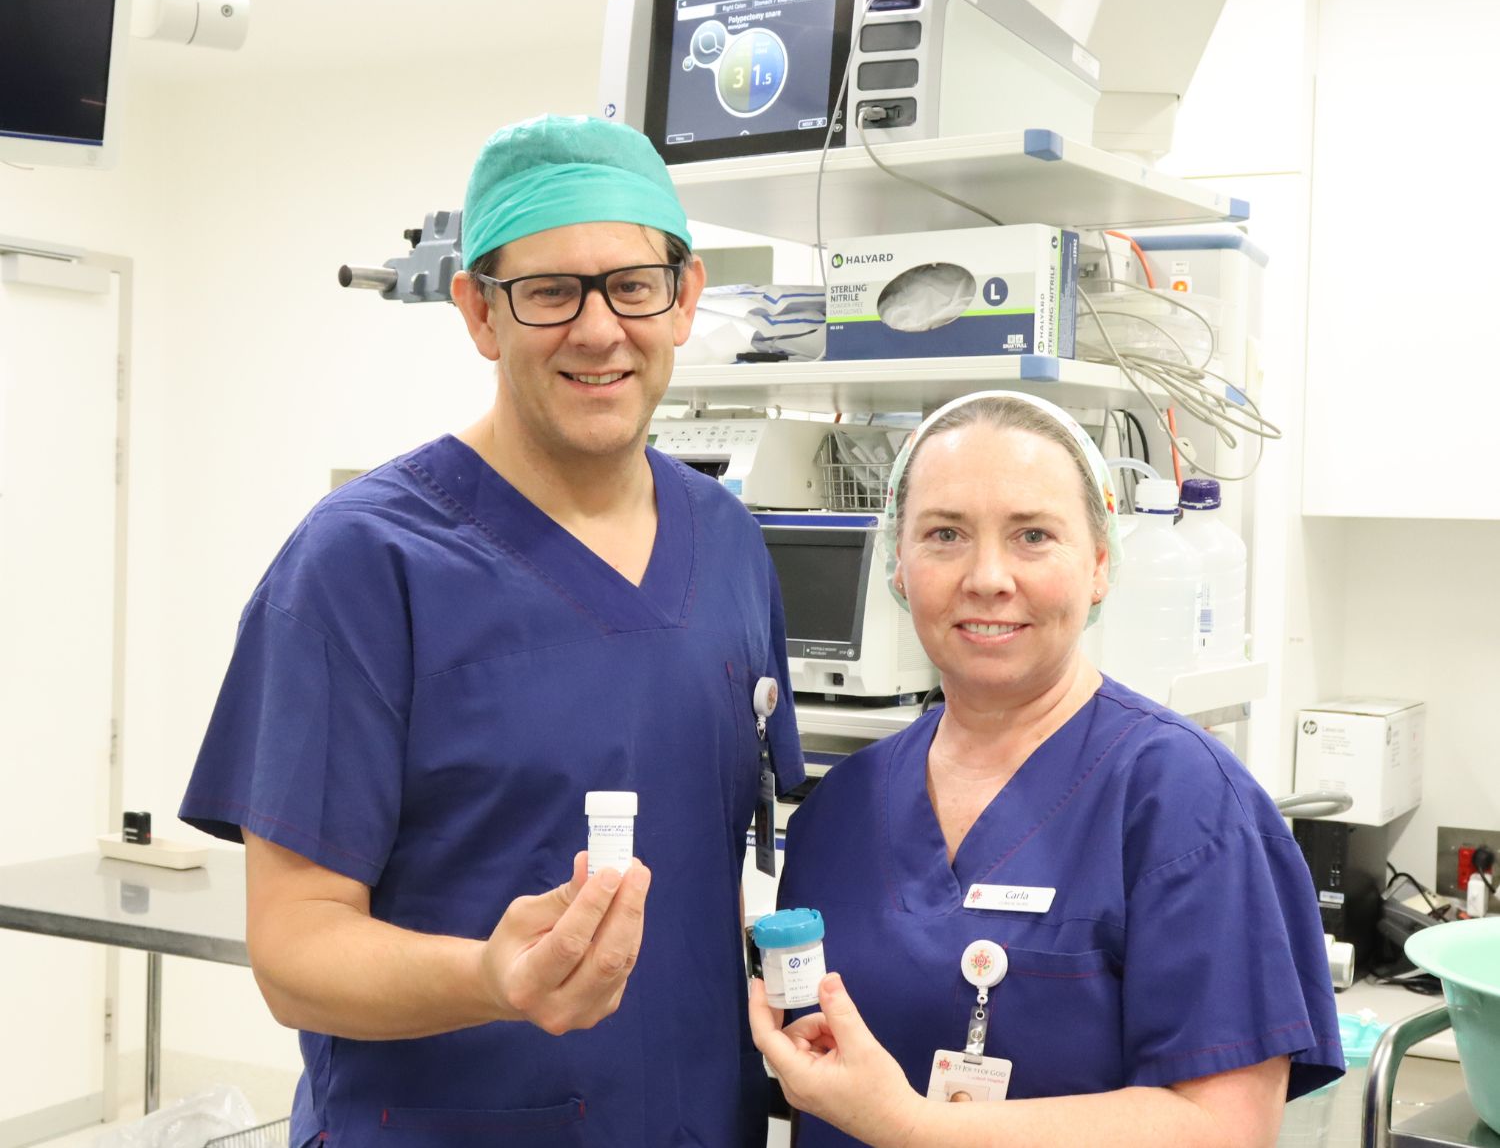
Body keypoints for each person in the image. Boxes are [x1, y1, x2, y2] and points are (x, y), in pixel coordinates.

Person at [180, 114, 803, 1147]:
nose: (599, 329)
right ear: (477, 310)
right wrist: (489, 975)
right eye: (549, 291)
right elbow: (293, 950)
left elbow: (716, 865)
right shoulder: (362, 563)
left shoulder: (730, 543)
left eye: (632, 285)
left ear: (685, 297)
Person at [749, 391, 1342, 1147]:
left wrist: (910, 1125)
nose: (988, 576)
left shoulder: (1185, 803)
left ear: (1099, 563)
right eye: (945, 534)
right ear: (898, 563)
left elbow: (1223, 1127)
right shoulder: (841, 812)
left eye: (1032, 535)